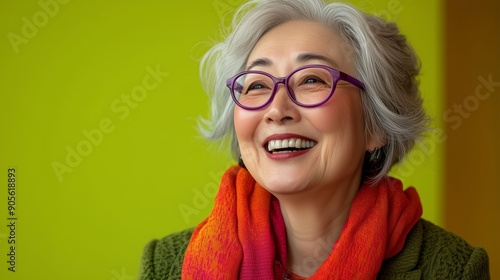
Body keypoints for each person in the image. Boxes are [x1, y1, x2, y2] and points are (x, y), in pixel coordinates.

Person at [137, 0, 490, 279]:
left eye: (311, 80)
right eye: (257, 84)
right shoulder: (166, 264)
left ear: (375, 125)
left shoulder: (454, 268)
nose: (277, 109)